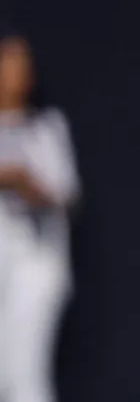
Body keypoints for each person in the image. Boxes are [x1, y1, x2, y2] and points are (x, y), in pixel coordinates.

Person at [0, 34, 81, 402]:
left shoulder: (45, 128)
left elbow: (67, 196)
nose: (15, 74)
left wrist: (24, 182)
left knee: (25, 371)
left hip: (35, 260)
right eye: (7, 64)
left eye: (22, 66)